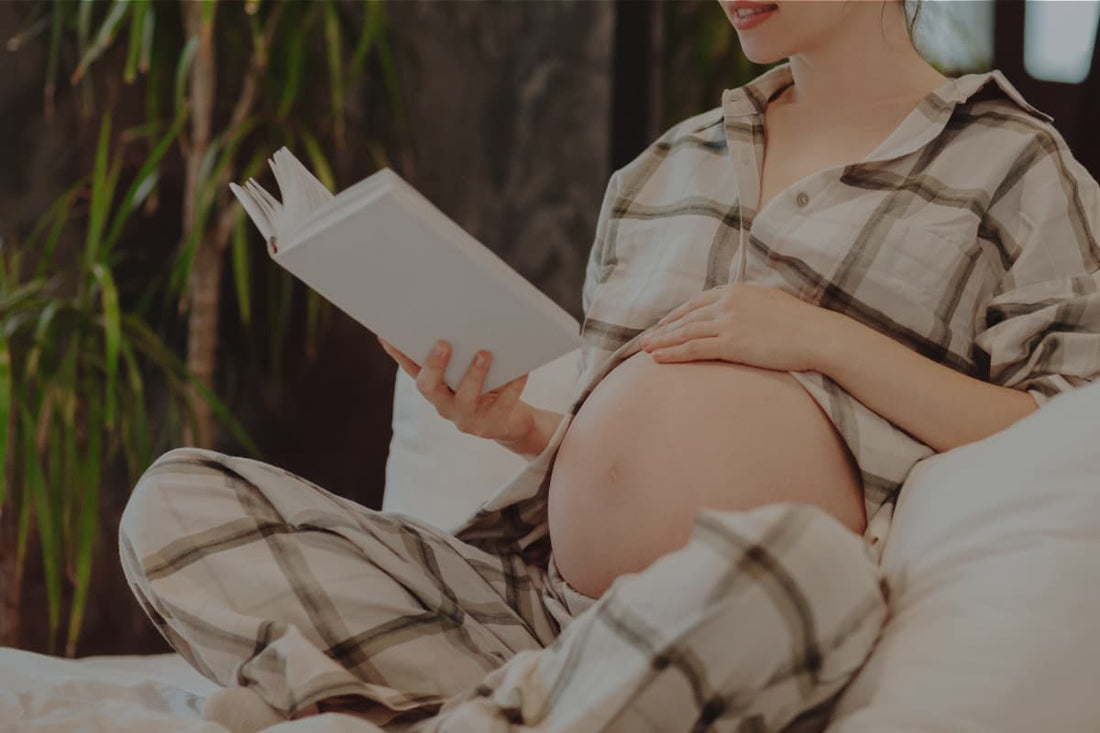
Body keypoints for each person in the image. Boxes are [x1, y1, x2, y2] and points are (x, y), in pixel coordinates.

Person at [120, 1, 1100, 731]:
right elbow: (617, 438)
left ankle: (401, 708)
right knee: (174, 509)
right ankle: (513, 704)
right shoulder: (659, 173)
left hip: (743, 608)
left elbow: (1066, 430)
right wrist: (512, 425)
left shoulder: (1013, 167)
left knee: (787, 569)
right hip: (534, 610)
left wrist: (821, 339)